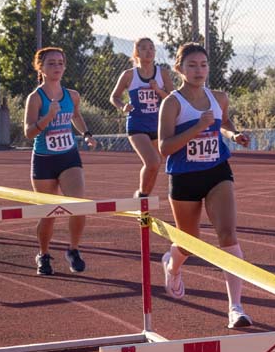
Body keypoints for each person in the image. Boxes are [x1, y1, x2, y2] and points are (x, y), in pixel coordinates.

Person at [158, 43, 252, 329]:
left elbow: (223, 122)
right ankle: (172, 266)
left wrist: (234, 134)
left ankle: (235, 307)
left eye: (203, 65)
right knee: (189, 242)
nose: (199, 70)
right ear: (179, 69)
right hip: (185, 176)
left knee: (228, 235)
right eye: (192, 65)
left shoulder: (219, 97)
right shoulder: (172, 103)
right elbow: (164, 147)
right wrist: (197, 128)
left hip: (216, 171)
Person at [24, 47, 98, 275]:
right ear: (41, 68)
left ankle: (73, 250)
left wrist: (86, 134)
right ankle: (43, 254)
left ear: (65, 67)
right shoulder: (35, 98)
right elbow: (28, 132)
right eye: (51, 63)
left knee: (79, 205)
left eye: (60, 63)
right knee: (49, 213)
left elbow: (75, 115)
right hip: (44, 159)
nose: (56, 67)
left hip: (69, 156)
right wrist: (48, 117)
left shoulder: (72, 95)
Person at [109, 37, 171, 198]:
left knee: (155, 165)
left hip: (158, 126)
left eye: (151, 48)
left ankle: (143, 197)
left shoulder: (162, 73)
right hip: (137, 125)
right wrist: (123, 106)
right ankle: (142, 198)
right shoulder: (129, 75)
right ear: (137, 52)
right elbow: (114, 97)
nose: (148, 51)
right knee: (152, 161)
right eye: (144, 48)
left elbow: (172, 99)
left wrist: (158, 90)